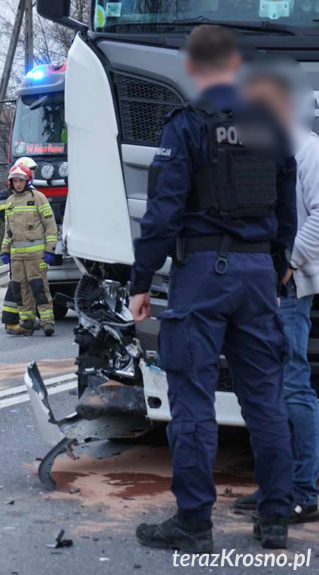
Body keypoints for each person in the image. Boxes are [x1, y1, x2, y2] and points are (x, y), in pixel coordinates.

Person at [128, 26, 296, 552]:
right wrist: (281, 259)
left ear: (193, 67)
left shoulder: (187, 126)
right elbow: (286, 202)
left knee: (193, 400)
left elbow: (163, 213)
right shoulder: (271, 126)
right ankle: (274, 521)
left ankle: (194, 523)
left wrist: (139, 279)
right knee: (266, 401)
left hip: (202, 274)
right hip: (257, 276)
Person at [232, 68, 319, 524]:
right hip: (264, 284)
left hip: (289, 285)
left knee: (293, 386)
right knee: (267, 389)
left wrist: (289, 261)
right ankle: (275, 488)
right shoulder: (264, 148)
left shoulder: (308, 150)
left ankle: (303, 489)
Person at [0, 163, 58, 336]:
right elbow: (7, 230)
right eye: (15, 181)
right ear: (10, 182)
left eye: (21, 180)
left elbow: (51, 226)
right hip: (17, 257)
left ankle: (47, 322)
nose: (18, 184)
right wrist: (4, 250)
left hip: (35, 256)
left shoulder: (39, 197)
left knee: (39, 288)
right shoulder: (9, 202)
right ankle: (27, 323)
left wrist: (50, 250)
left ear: (27, 181)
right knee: (20, 290)